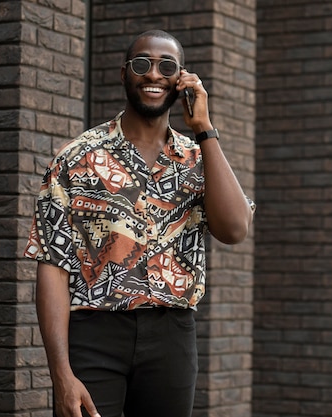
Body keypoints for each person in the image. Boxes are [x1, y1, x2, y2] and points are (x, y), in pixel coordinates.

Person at [24, 29, 255, 417]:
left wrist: (204, 129)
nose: (153, 74)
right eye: (142, 64)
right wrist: (61, 374)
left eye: (167, 66)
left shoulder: (199, 159)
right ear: (124, 73)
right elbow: (52, 268)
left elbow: (234, 229)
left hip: (172, 336)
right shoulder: (75, 158)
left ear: (181, 79)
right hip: (94, 335)